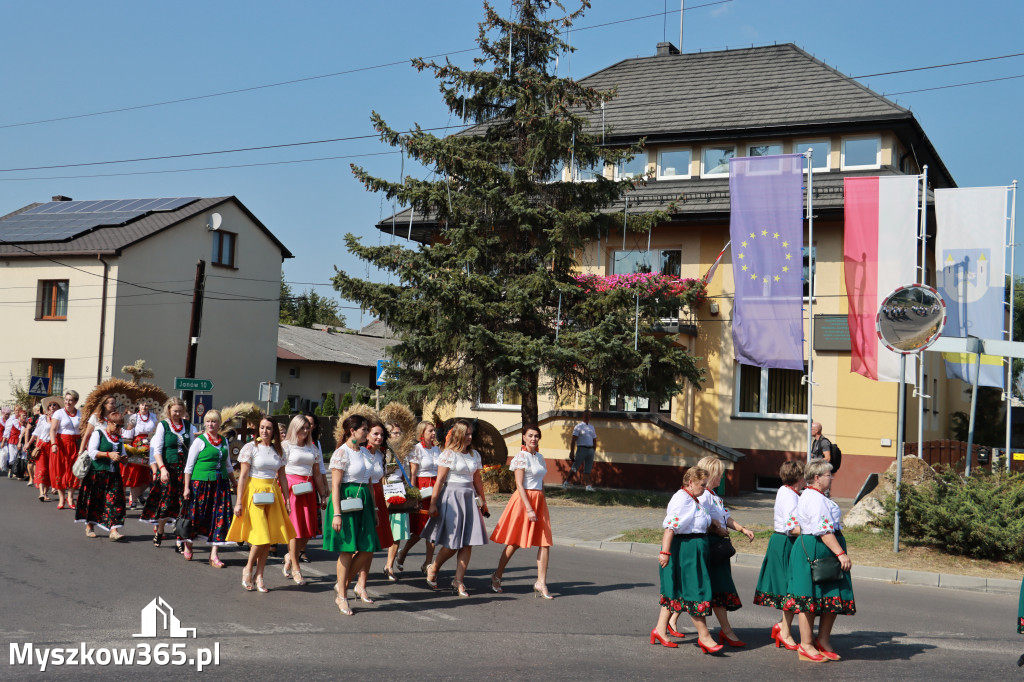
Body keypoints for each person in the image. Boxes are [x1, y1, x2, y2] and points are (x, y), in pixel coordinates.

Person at [784, 459, 855, 663]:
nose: (831, 478)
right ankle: (805, 645)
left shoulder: (819, 496)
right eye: (827, 475)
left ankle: (822, 640)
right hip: (817, 547)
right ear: (817, 478)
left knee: (829, 596)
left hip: (825, 548)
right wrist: (840, 553)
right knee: (809, 598)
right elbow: (823, 530)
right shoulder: (813, 498)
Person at [681, 455, 755, 647]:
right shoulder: (704, 495)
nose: (722, 478)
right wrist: (715, 528)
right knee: (713, 589)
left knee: (715, 590)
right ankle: (725, 631)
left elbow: (726, 517)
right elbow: (701, 520)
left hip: (719, 545)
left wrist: (742, 529)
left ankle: (669, 623)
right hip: (712, 545)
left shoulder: (714, 496)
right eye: (720, 474)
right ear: (712, 474)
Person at [652, 466, 723, 653]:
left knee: (677, 592)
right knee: (695, 593)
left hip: (694, 549)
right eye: (702, 484)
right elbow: (670, 527)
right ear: (690, 482)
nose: (704, 488)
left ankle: (660, 629)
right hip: (684, 549)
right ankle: (705, 637)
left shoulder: (694, 498)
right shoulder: (681, 499)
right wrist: (665, 553)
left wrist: (713, 522)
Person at [226, 416, 296, 592]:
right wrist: (239, 502)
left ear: (274, 432)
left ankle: (260, 575)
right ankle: (248, 568)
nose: (265, 431)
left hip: (272, 494)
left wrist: (287, 499)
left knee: (268, 538)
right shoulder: (250, 448)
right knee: (261, 535)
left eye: (269, 428)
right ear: (258, 430)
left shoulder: (278, 450)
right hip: (254, 493)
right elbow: (242, 476)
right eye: (262, 427)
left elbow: (282, 477)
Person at [421, 419, 490, 596]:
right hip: (452, 498)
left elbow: (477, 481)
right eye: (466, 433)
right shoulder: (448, 454)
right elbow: (440, 481)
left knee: (468, 543)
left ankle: (458, 581)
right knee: (453, 543)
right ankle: (434, 567)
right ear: (458, 434)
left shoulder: (474, 455)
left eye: (471, 433)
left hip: (469, 498)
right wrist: (433, 503)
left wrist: (483, 502)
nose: (470, 436)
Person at [324, 415, 380, 616]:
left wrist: (374, 510)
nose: (366, 433)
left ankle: (343, 584)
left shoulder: (365, 453)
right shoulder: (342, 453)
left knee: (367, 548)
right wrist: (336, 514)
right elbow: (336, 486)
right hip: (346, 502)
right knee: (347, 550)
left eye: (367, 429)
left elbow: (370, 484)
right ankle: (342, 596)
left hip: (364, 502)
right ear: (352, 431)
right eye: (364, 429)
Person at [489, 425, 554, 598]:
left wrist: (542, 503)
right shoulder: (521, 457)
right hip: (524, 501)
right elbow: (519, 485)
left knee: (545, 542)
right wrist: (529, 508)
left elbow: (541, 483)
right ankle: (497, 575)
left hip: (539, 500)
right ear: (524, 437)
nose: (534, 438)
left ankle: (541, 582)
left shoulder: (540, 457)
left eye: (536, 436)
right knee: (515, 542)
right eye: (530, 435)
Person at [753, 460, 805, 650]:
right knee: (789, 588)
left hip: (784, 541)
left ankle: (783, 627)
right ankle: (784, 631)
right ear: (799, 477)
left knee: (790, 588)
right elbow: (792, 527)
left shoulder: (789, 491)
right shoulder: (789, 495)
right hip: (785, 543)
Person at [140, 398, 197, 549]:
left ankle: (179, 539)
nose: (177, 414)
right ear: (169, 410)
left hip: (183, 470)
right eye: (175, 411)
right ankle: (160, 530)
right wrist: (162, 468)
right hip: (168, 469)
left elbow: (192, 448)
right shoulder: (163, 426)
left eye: (180, 411)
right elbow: (157, 450)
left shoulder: (188, 426)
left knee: (182, 504)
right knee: (165, 504)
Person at [182, 410, 235, 566]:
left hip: (220, 484)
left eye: (214, 422)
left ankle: (214, 555)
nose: (211, 424)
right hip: (201, 484)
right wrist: (186, 487)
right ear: (204, 423)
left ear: (219, 424)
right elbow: (189, 467)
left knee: (219, 517)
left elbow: (228, 465)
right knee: (197, 515)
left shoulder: (224, 441)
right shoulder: (200, 441)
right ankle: (189, 543)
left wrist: (235, 483)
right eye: (208, 422)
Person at [282, 414, 328, 586]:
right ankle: (296, 567)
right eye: (302, 427)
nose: (306, 430)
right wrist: (285, 492)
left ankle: (289, 555)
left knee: (308, 530)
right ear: (294, 428)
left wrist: (323, 494)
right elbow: (280, 471)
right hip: (292, 489)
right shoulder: (285, 446)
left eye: (308, 427)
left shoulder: (312, 448)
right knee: (295, 530)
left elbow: (317, 472)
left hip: (308, 489)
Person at [352, 421, 394, 603]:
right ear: (367, 435)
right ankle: (347, 581)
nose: (379, 437)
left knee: (370, 547)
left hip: (377, 496)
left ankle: (361, 585)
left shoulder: (380, 454)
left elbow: (380, 478)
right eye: (375, 434)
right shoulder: (361, 452)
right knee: (362, 545)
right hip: (364, 497)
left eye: (382, 435)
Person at [75, 407, 127, 541]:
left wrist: (123, 459)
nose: (119, 428)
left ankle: (114, 530)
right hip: (97, 473)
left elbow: (124, 456)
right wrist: (108, 454)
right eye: (117, 425)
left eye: (122, 426)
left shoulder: (119, 439)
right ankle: (90, 526)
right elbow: (92, 452)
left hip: (114, 474)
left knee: (115, 501)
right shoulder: (98, 434)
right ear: (109, 422)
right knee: (95, 500)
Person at [395, 421, 439, 574]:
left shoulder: (437, 449)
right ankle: (403, 552)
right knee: (421, 529)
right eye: (430, 431)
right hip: (422, 488)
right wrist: (414, 495)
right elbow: (413, 474)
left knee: (433, 527)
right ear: (422, 433)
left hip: (436, 488)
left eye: (434, 431)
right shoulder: (417, 449)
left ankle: (427, 563)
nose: (433, 433)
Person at [382, 421, 411, 581]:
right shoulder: (381, 452)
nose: (398, 436)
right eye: (395, 433)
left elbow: (405, 474)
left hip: (399, 490)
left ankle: (389, 565)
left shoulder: (404, 453)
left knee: (397, 532)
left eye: (400, 433)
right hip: (383, 490)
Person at [49, 390, 82, 510]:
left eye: (70, 400)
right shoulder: (59, 413)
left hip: (76, 444)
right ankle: (62, 499)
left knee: (74, 471)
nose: (67, 402)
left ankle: (70, 497)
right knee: (60, 471)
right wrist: (53, 444)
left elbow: (83, 430)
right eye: (66, 400)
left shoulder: (80, 413)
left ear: (76, 401)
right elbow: (53, 429)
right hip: (62, 444)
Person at [121, 400, 157, 509]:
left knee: (147, 475)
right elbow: (129, 434)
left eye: (146, 405)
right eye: (142, 404)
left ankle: (137, 495)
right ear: (139, 405)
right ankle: (133, 499)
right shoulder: (134, 417)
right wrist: (129, 448)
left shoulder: (153, 417)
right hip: (137, 446)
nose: (144, 407)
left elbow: (156, 431)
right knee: (135, 472)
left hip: (150, 445)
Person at [29, 399, 59, 502]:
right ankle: (41, 493)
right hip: (42, 445)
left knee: (50, 470)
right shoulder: (42, 418)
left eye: (54, 405)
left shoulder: (60, 419)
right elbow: (36, 432)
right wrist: (28, 443)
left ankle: (46, 492)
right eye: (50, 405)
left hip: (53, 446)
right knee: (41, 468)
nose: (52, 407)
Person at [563, 410, 597, 491]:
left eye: (589, 415)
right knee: (575, 467)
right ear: (583, 416)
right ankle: (566, 482)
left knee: (588, 469)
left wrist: (593, 449)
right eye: (586, 415)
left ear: (590, 417)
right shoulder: (578, 427)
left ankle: (588, 486)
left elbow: (594, 439)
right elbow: (573, 440)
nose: (587, 417)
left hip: (590, 450)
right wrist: (571, 451)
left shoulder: (592, 427)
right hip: (581, 449)